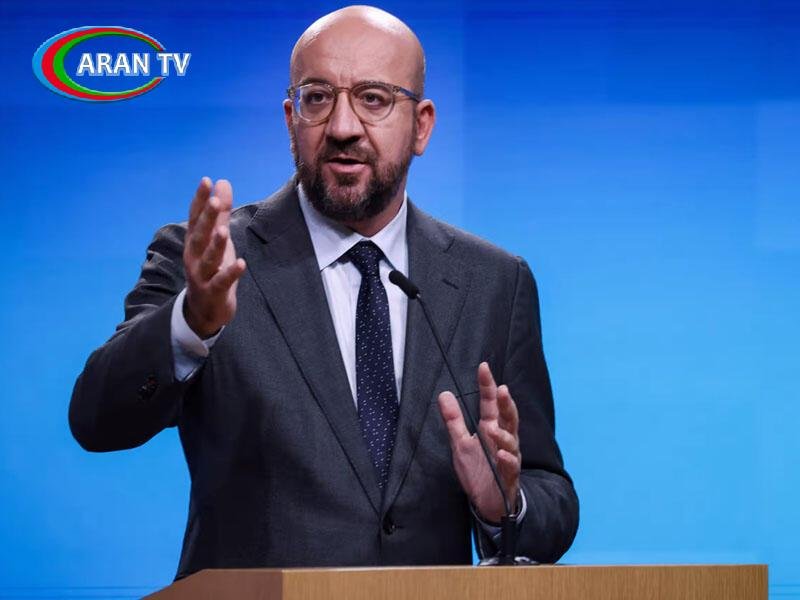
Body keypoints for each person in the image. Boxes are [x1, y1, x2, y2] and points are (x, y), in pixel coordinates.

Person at [69, 5, 579, 579]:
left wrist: (501, 503)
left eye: (374, 98)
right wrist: (191, 324)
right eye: (317, 98)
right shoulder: (208, 259)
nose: (342, 127)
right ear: (291, 120)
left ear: (422, 125)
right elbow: (97, 420)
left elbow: (550, 499)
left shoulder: (494, 282)